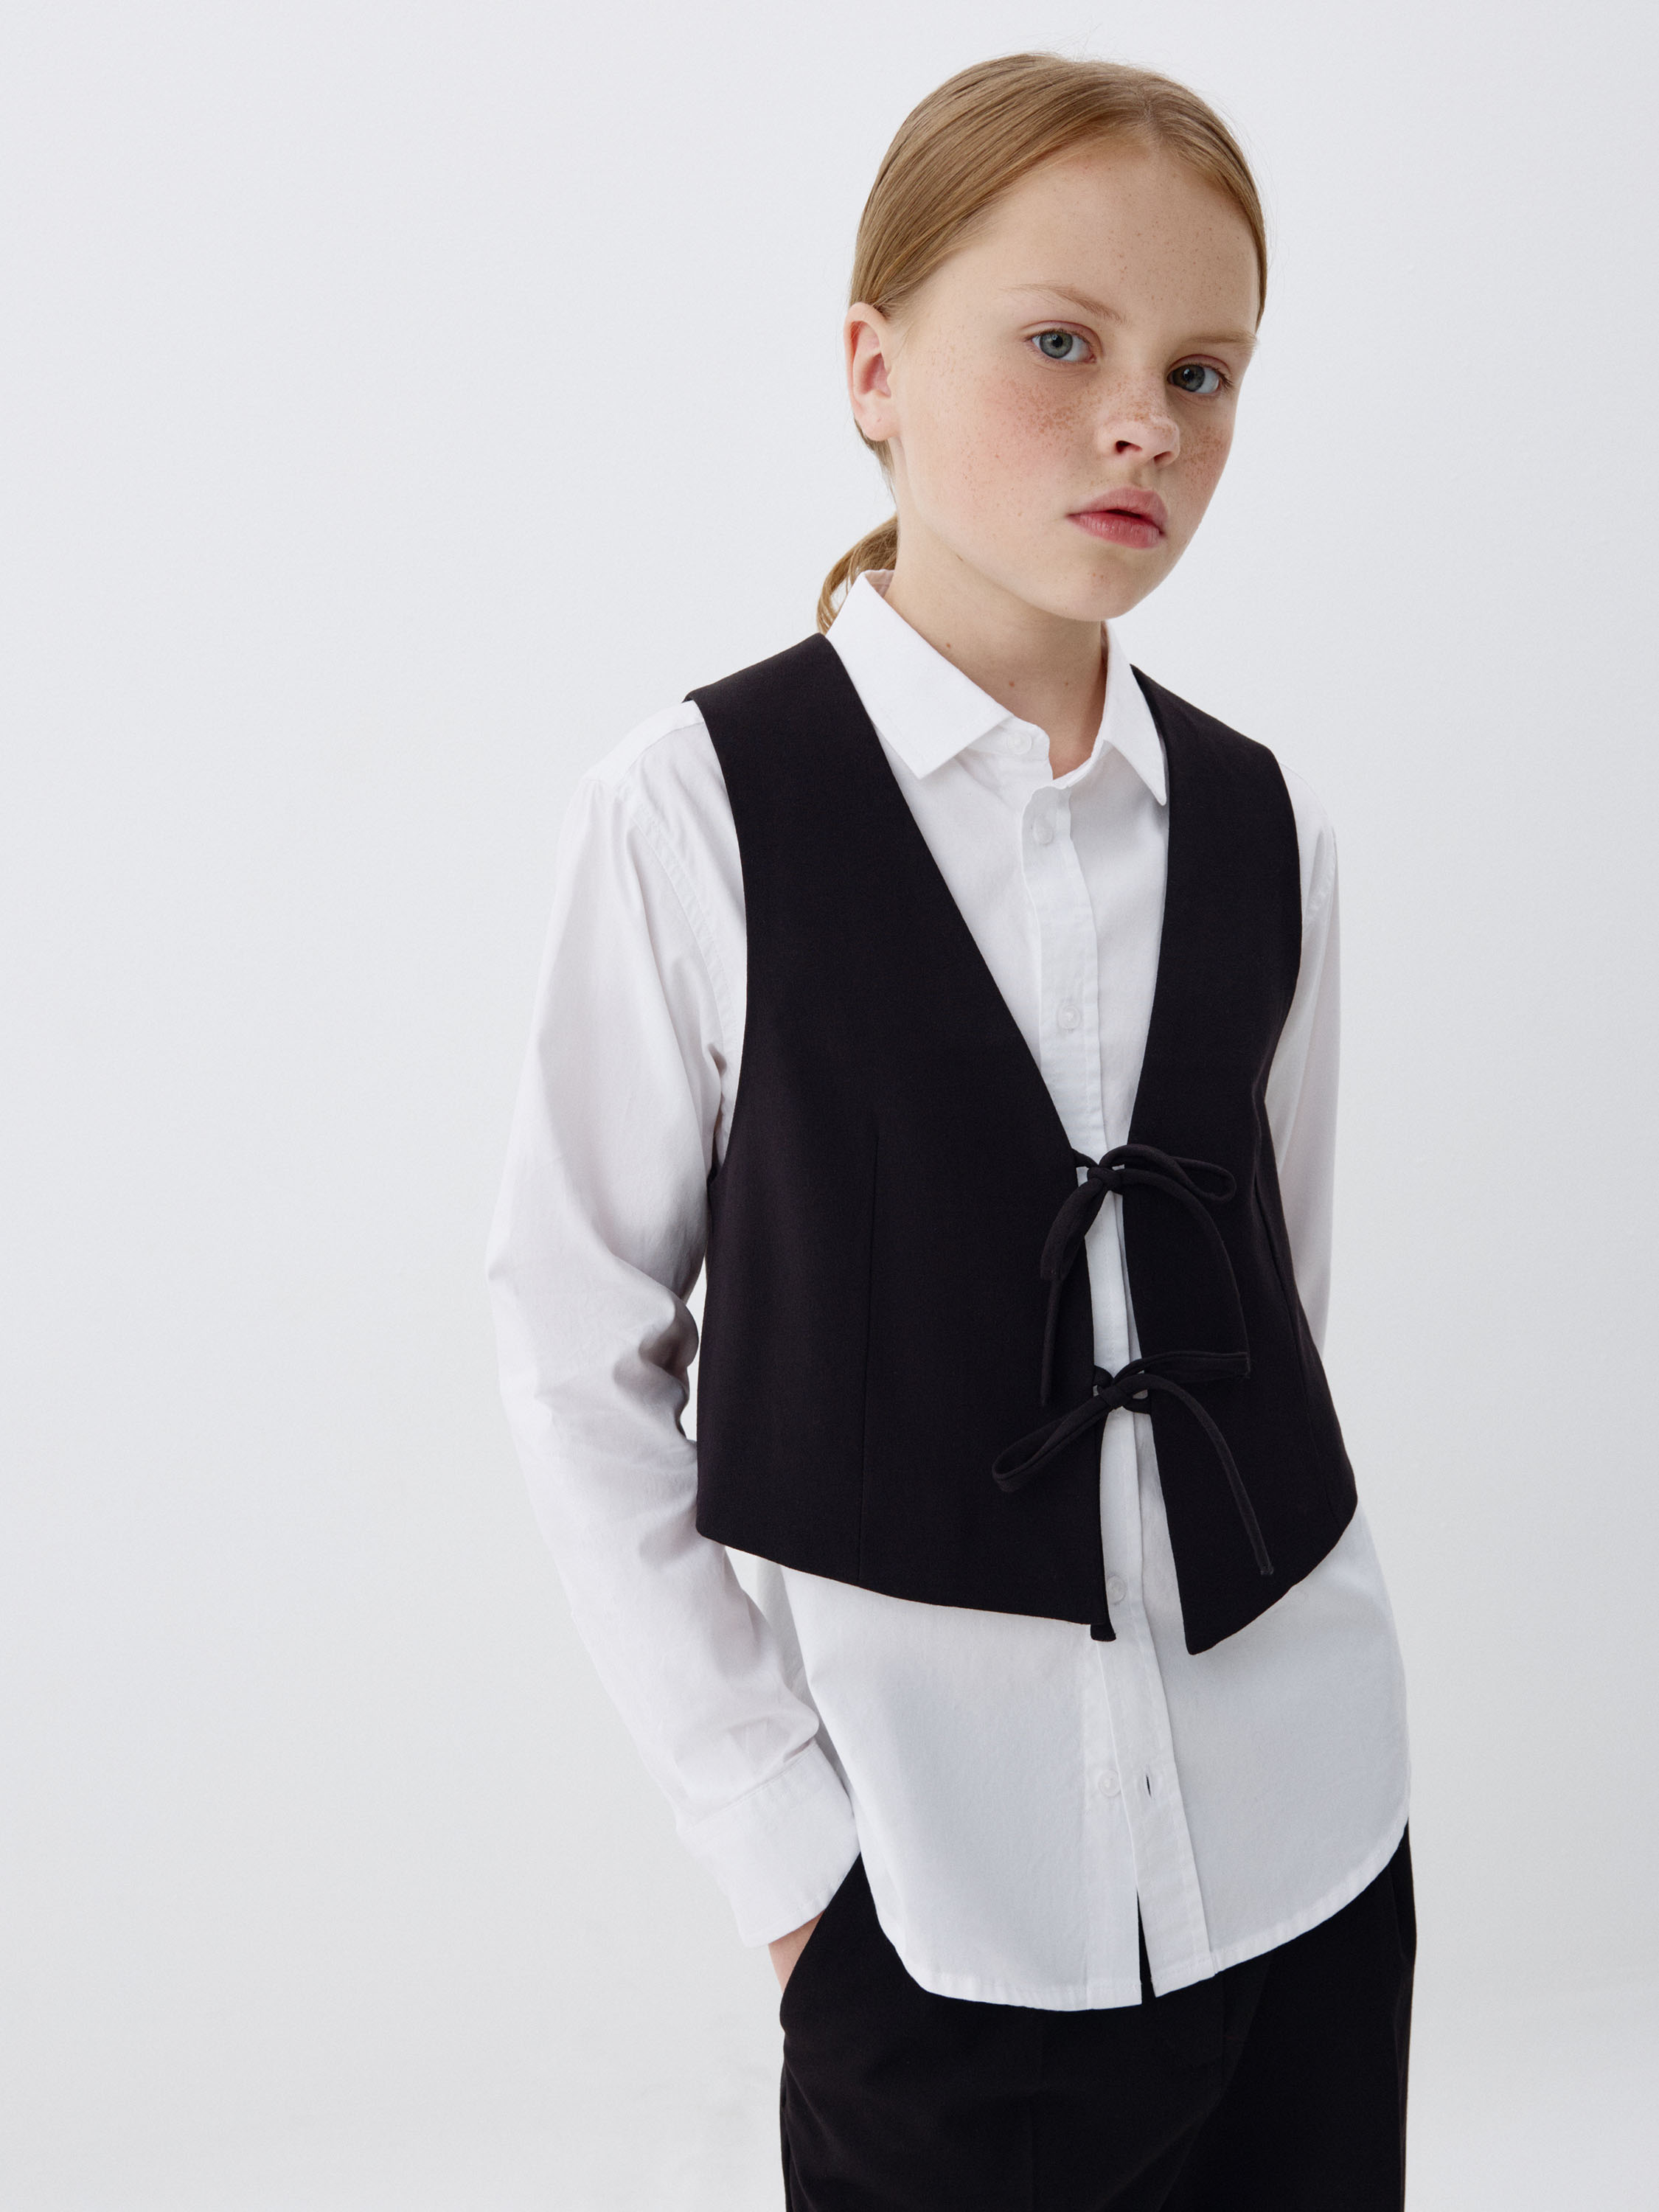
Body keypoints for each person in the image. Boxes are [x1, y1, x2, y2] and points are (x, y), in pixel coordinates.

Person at [487, 51, 1413, 2211]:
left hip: (1310, 1842)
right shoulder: (695, 814)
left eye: (1200, 372)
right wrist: (789, 1863)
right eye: (1063, 344)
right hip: (930, 1906)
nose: (1141, 423)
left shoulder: (1264, 826)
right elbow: (570, 1350)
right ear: (872, 368)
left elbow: (1272, 1295)